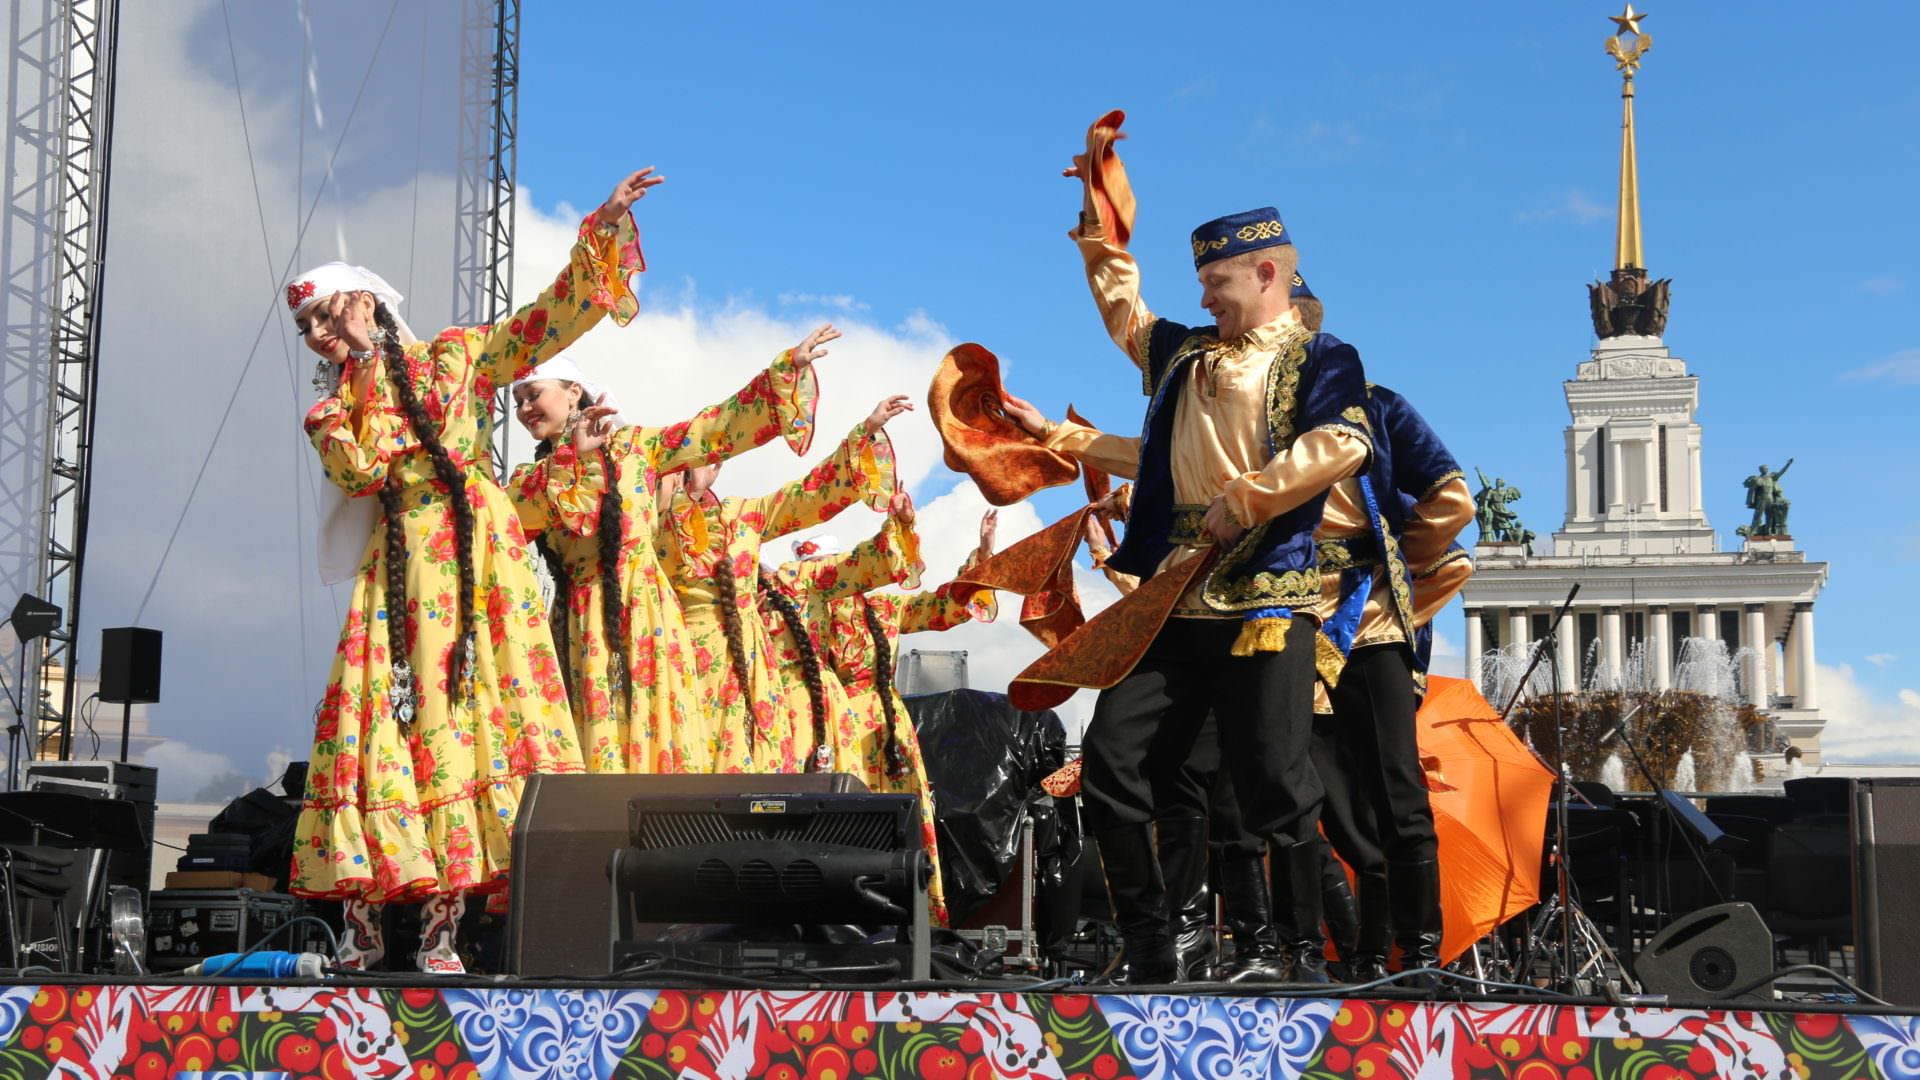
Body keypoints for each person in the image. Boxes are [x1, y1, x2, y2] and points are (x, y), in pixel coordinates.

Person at [996, 146, 1371, 983]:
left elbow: (1343, 441)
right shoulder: (1189, 355)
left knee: (1273, 780)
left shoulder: (1320, 358)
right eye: (1201, 285)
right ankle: (1148, 941)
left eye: (1219, 284)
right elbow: (1129, 320)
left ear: (1267, 272)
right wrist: (1100, 229)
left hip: (1265, 594)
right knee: (1115, 764)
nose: (1203, 298)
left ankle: (1302, 954)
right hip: (1176, 594)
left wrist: (1252, 498)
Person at [287, 169, 657, 972]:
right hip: (405, 558)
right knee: (381, 717)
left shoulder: (453, 356)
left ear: (364, 303)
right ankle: (365, 931)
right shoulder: (340, 405)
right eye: (308, 328)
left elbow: (540, 324)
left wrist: (604, 229)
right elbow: (356, 475)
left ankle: (444, 931)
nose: (319, 334)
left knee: (477, 715)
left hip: (479, 554)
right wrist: (329, 420)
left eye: (325, 314)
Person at [506, 328, 831, 774]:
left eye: (533, 394)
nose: (525, 409)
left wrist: (783, 371)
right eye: (518, 399)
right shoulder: (534, 476)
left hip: (641, 609)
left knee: (652, 731)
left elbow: (711, 428)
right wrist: (574, 458)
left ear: (574, 392)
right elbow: (509, 521)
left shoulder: (636, 447)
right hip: (578, 619)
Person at [656, 399, 905, 773]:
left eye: (703, 459)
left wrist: (864, 433)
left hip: (748, 668)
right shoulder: (646, 524)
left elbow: (803, 495)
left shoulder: (740, 518)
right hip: (676, 657)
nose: (692, 468)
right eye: (681, 461)